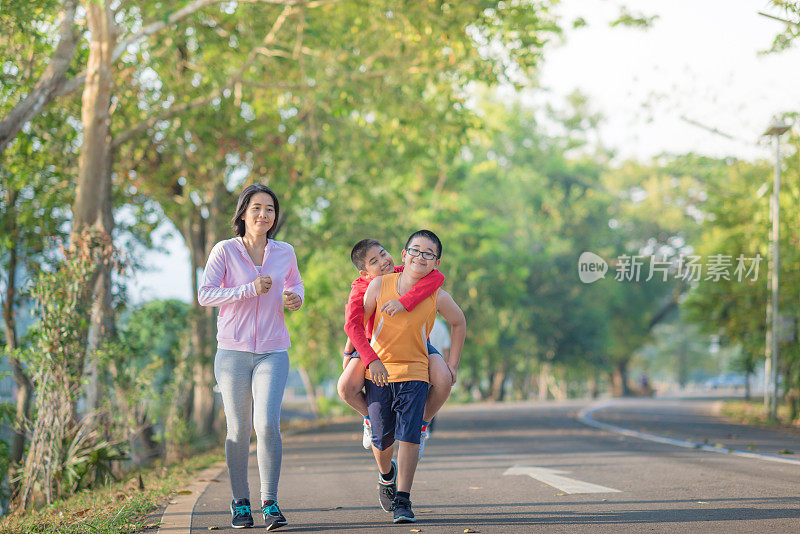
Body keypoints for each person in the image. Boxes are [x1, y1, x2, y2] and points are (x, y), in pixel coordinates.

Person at [198, 184, 303, 531]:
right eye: (257, 208)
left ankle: (270, 502)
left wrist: (294, 298)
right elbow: (206, 294)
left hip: (273, 350)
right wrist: (248, 289)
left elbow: (295, 284)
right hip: (232, 352)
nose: (264, 215)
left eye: (270, 209)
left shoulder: (284, 251)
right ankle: (240, 502)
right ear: (243, 213)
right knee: (239, 429)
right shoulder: (225, 251)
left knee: (266, 425)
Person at [362, 230, 466, 524]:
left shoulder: (436, 295)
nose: (421, 257)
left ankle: (404, 500)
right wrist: (357, 360)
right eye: (415, 250)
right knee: (382, 443)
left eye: (428, 253)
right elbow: (360, 326)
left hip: (416, 371)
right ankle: (387, 478)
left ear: (436, 262)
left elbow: (459, 322)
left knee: (408, 435)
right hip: (379, 372)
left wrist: (453, 363)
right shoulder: (380, 285)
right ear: (404, 254)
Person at [339, 239, 452, 457]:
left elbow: (437, 277)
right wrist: (355, 355)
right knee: (345, 387)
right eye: (374, 260)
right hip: (373, 346)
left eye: (383, 253)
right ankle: (370, 418)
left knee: (443, 379)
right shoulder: (360, 289)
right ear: (365, 274)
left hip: (416, 343)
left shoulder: (400, 272)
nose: (383, 261)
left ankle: (422, 425)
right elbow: (353, 326)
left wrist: (406, 301)